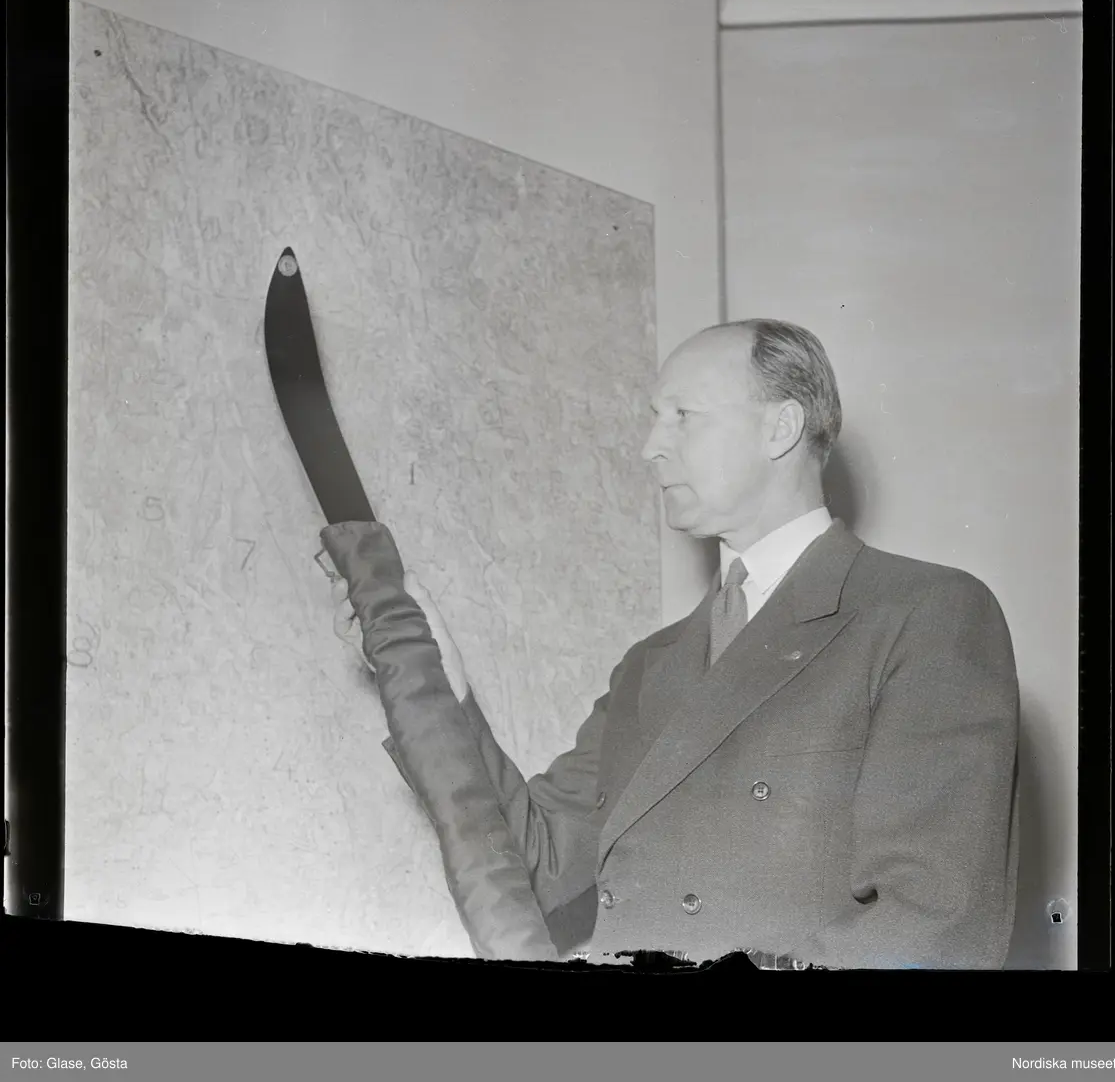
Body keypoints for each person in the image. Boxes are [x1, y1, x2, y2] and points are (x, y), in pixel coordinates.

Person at [333, 319, 1020, 969]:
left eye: (683, 416)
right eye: (655, 417)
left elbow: (936, 925)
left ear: (780, 428)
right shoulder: (648, 665)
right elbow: (536, 865)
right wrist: (443, 684)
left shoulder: (922, 611)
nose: (650, 446)